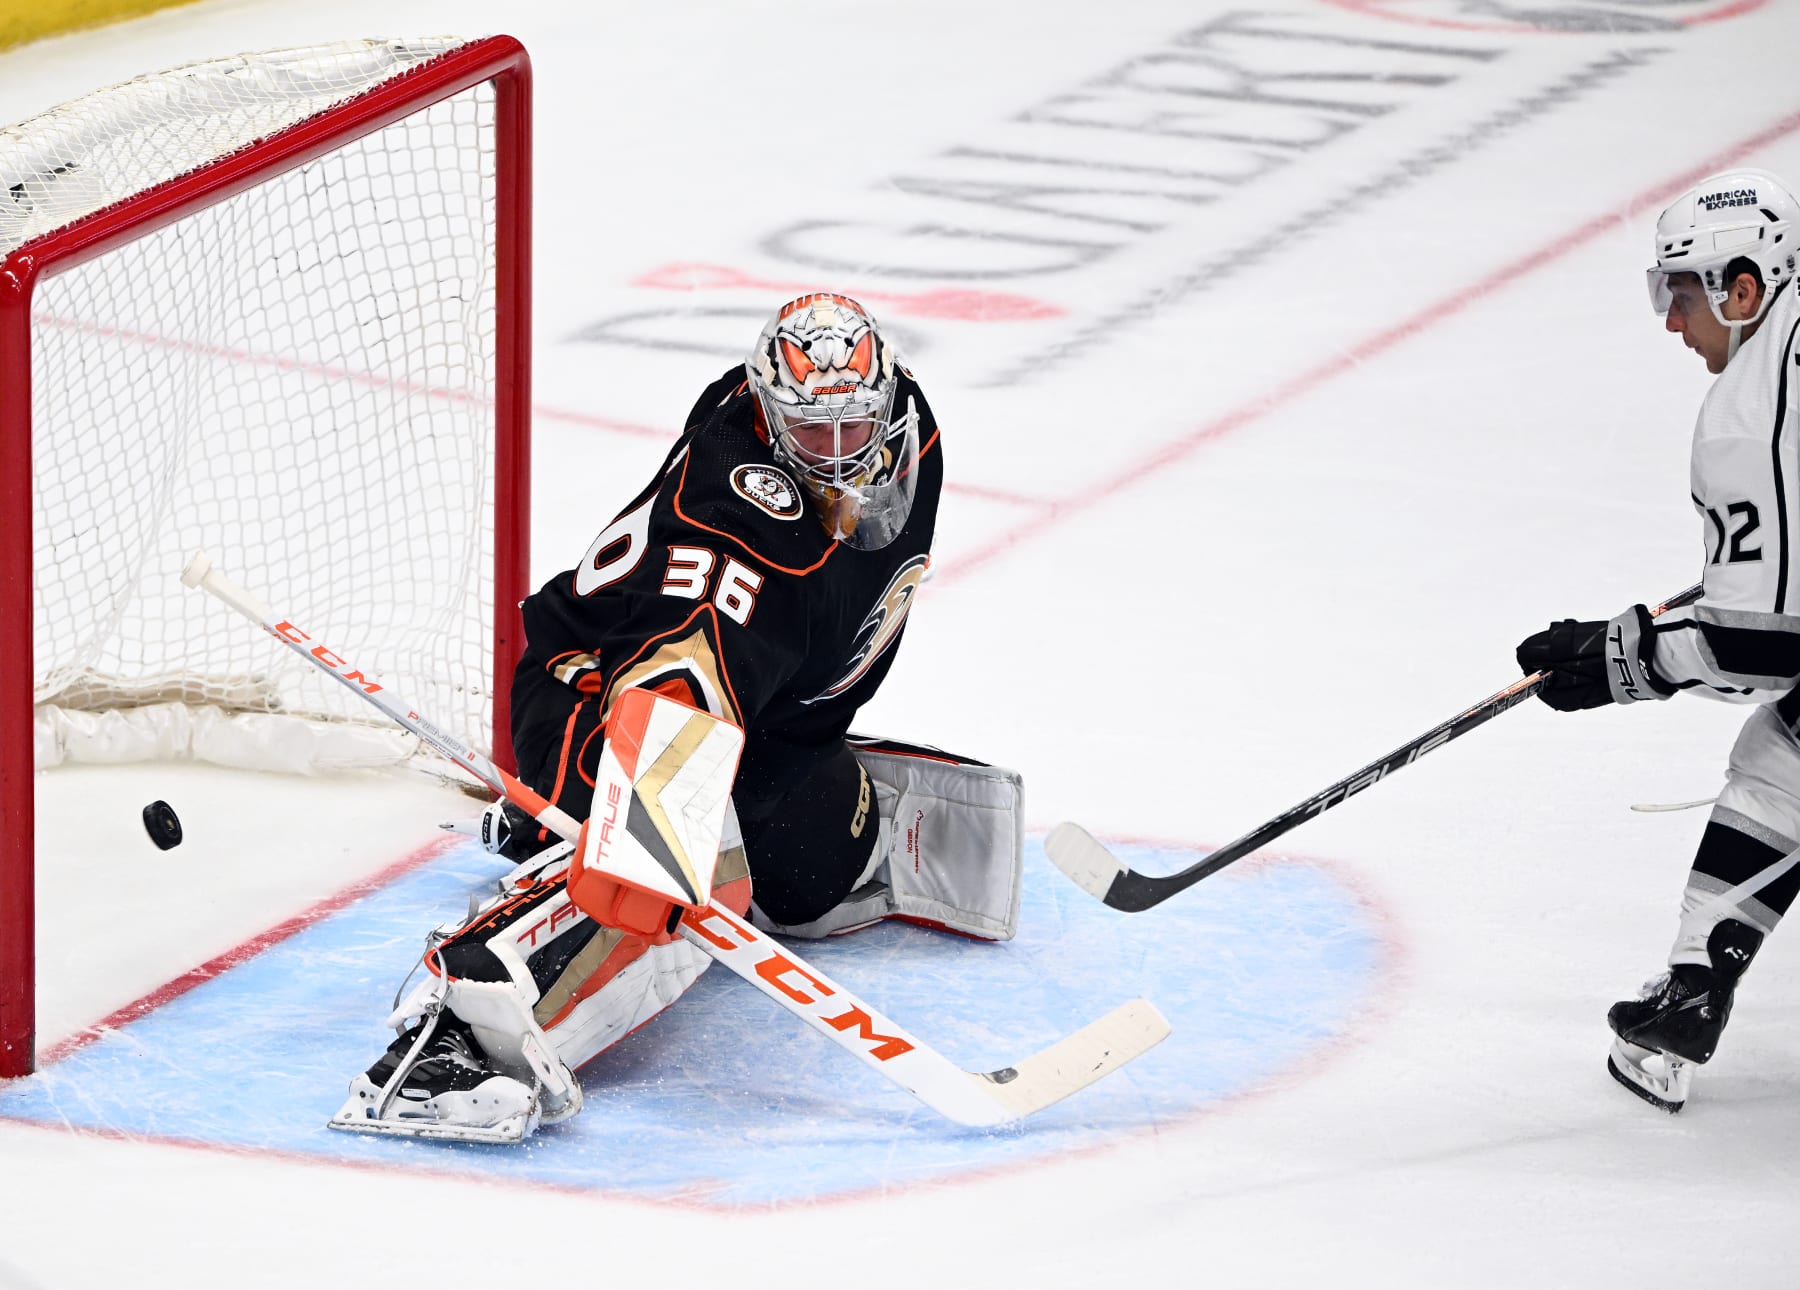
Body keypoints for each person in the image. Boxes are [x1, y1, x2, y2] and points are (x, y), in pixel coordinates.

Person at [331, 294, 1024, 1142]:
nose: (843, 456)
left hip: (765, 720)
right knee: (683, 870)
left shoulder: (909, 424)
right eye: (814, 434)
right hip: (599, 699)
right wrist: (659, 841)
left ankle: (557, 841)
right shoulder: (737, 530)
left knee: (816, 879)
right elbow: (675, 693)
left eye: (856, 426)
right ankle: (460, 1039)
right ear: (771, 419)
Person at [1515, 169, 1800, 1112]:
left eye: (1682, 292)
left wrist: (1624, 658)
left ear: (1742, 288)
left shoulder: (1749, 411)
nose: (1674, 321)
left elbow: (1763, 648)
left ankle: (1694, 986)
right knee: (1787, 759)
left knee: (1786, 758)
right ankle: (1695, 983)